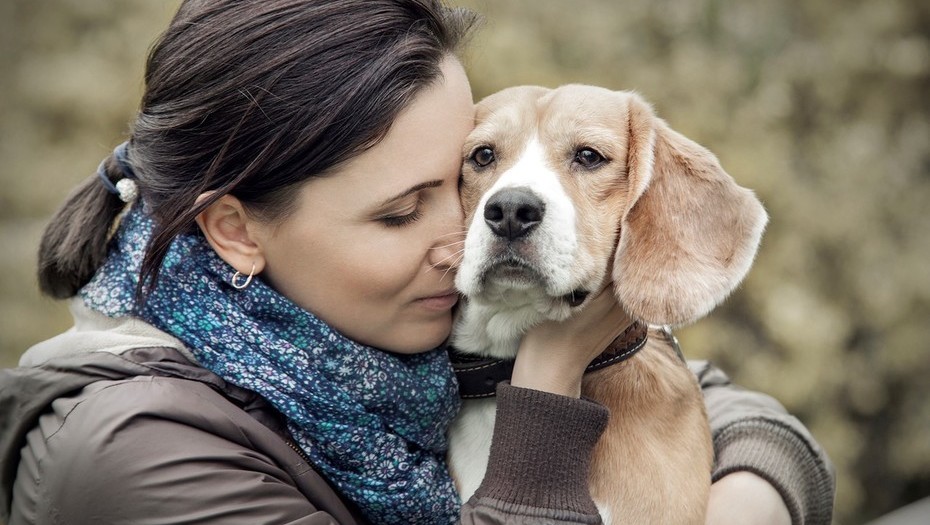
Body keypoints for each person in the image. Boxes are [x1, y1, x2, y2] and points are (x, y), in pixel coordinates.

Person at [0, 1, 834, 524]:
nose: (461, 238)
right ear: (238, 231)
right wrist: (545, 381)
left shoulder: (380, 328)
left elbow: (727, 405)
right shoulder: (134, 456)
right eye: (401, 211)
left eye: (460, 184)